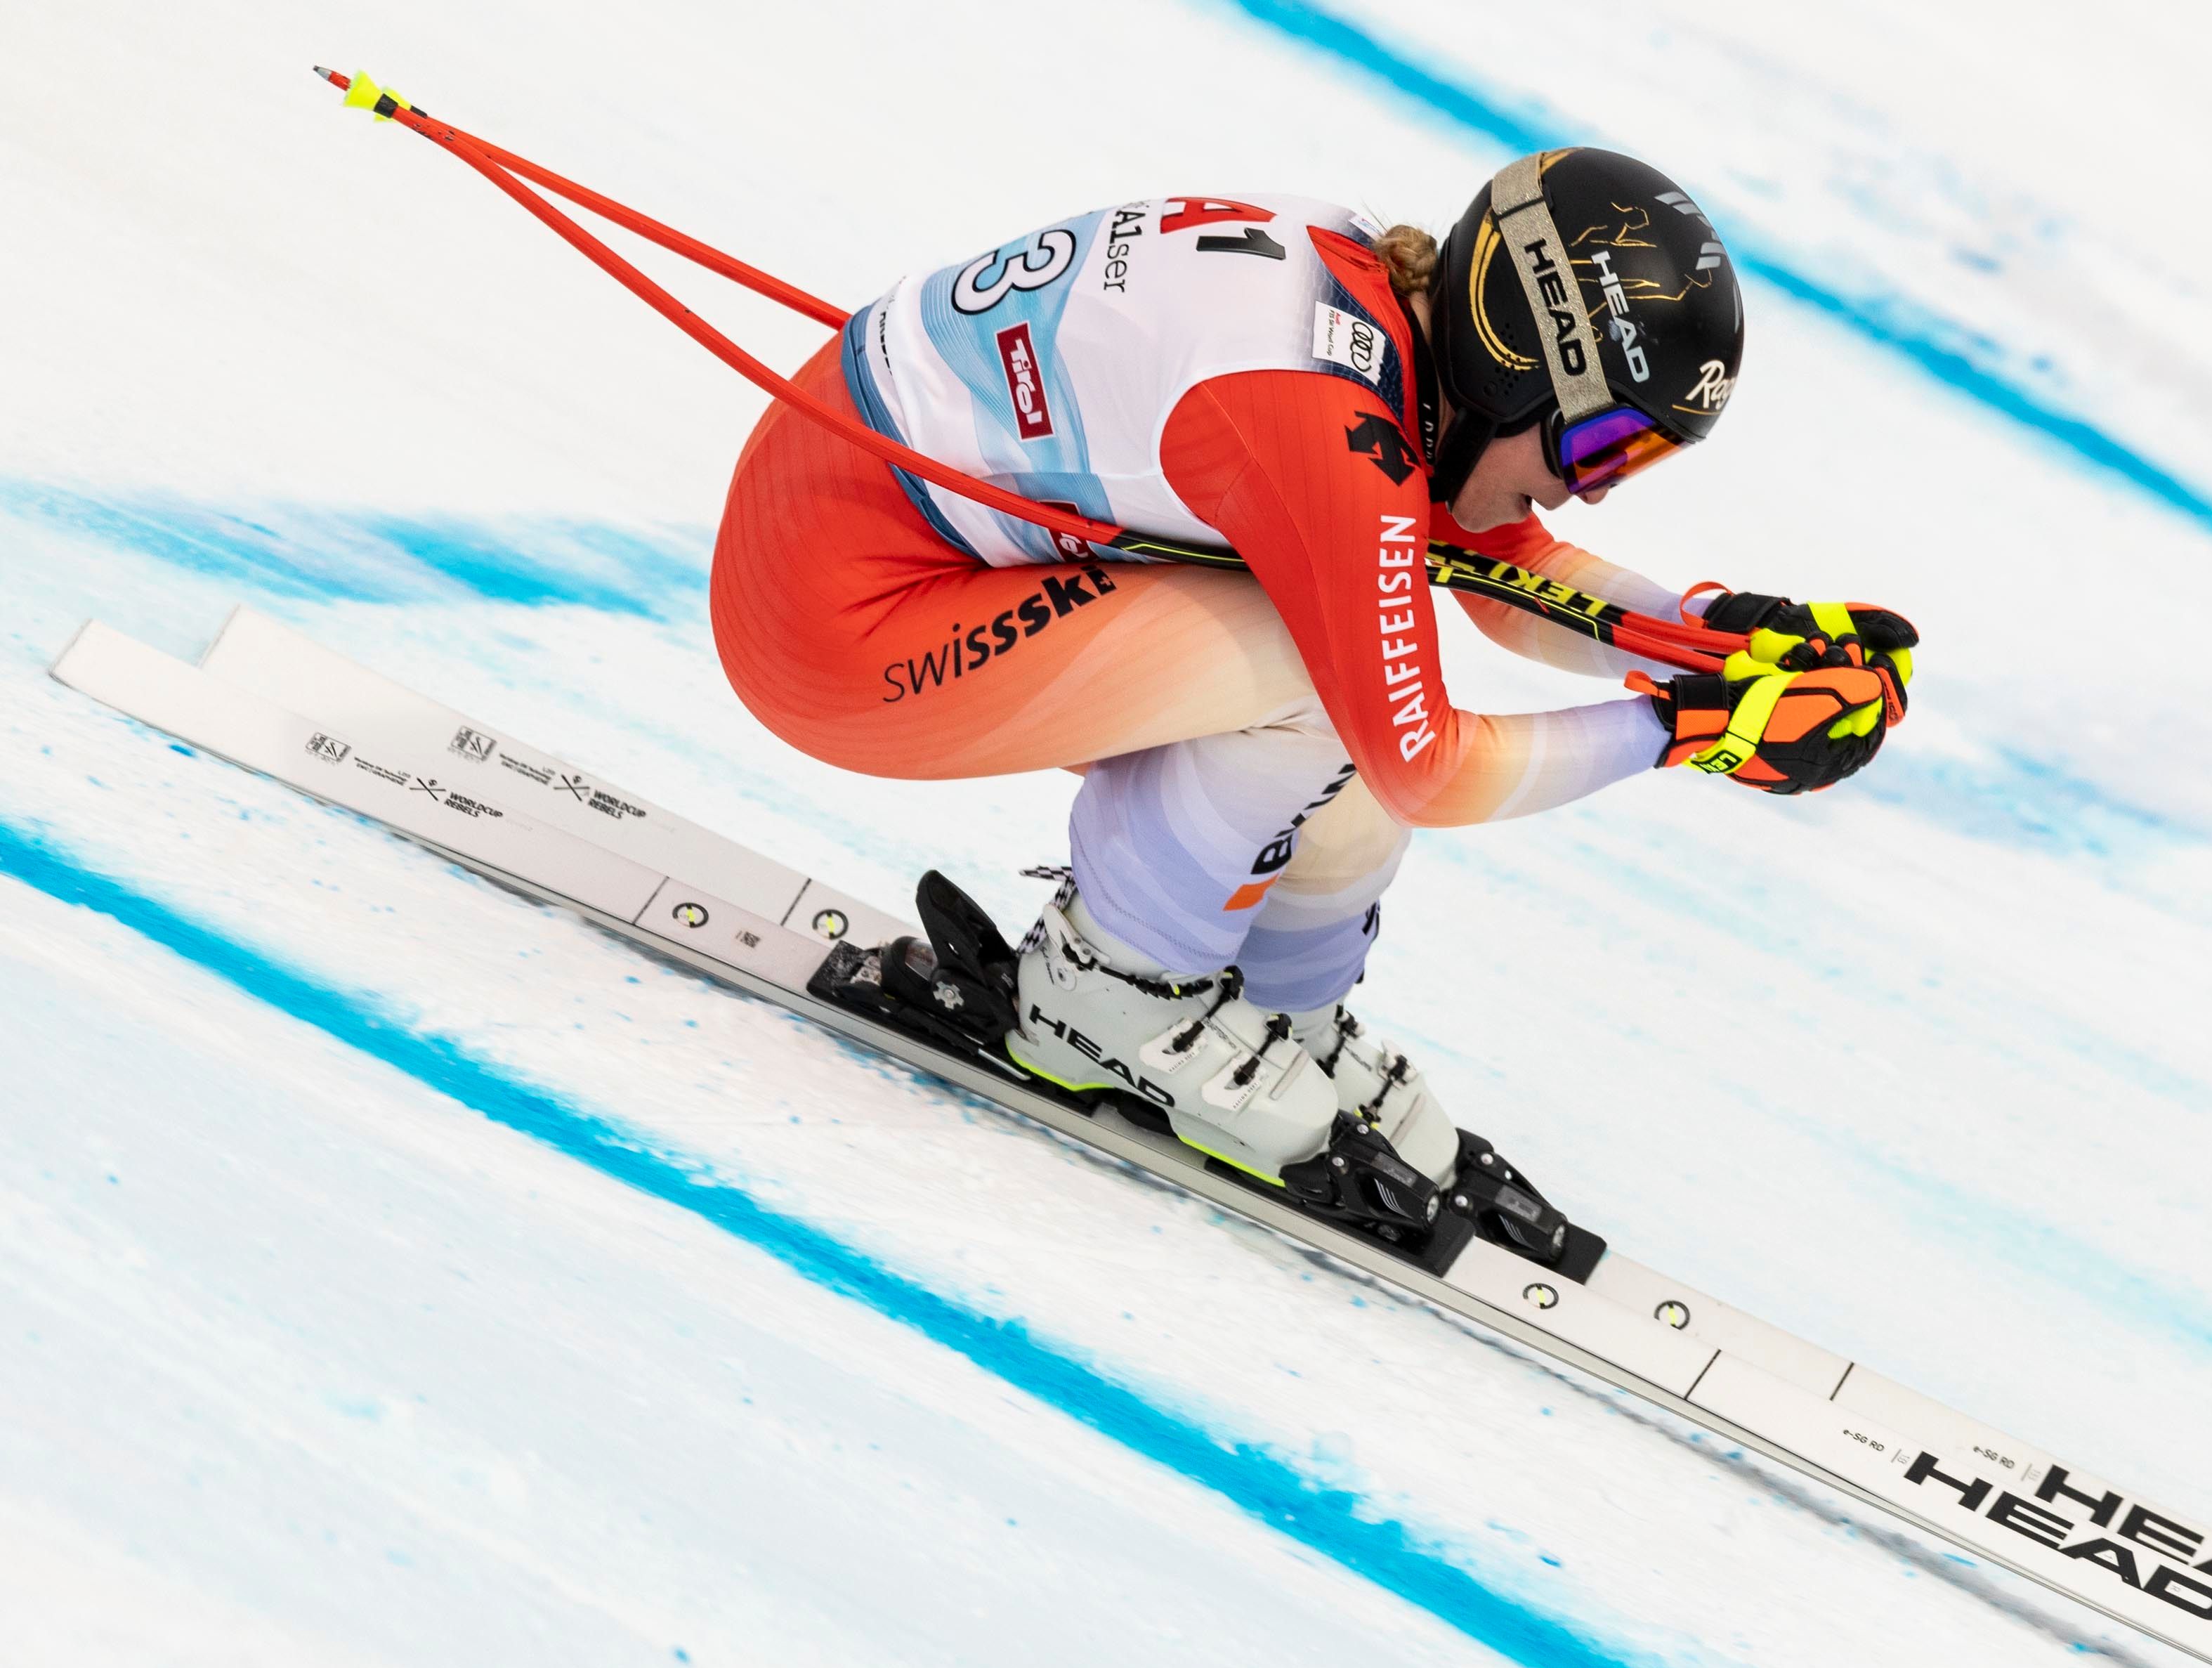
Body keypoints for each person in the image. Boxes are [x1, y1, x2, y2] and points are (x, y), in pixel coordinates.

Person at [709, 148, 1914, 1202]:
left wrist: (1714, 632)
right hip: (836, 628)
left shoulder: (1376, 309)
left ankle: (1280, 1008)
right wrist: (1688, 727)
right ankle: (1105, 991)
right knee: (1317, 676)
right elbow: (1432, 767)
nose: (1590, 484)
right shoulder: (1319, 425)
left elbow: (1499, 558)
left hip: (876, 560)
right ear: (1510, 364)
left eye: (1635, 460)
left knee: (1337, 712)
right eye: (1600, 440)